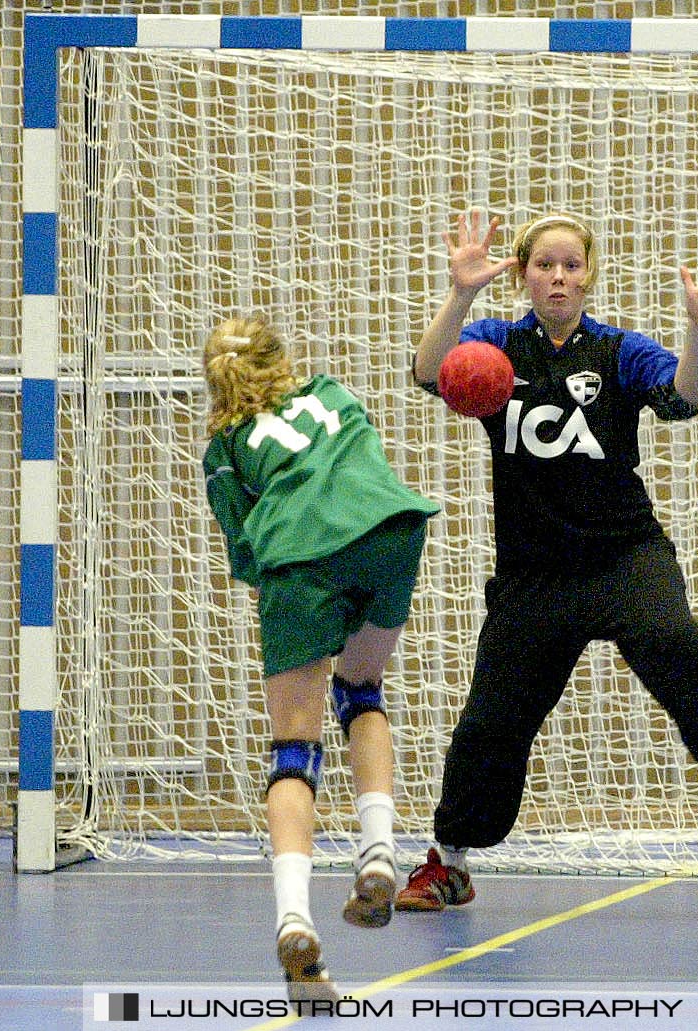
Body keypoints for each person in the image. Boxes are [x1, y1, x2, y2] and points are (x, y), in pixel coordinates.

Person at [397, 209, 698, 913]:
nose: (559, 276)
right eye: (545, 264)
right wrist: (460, 295)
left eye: (572, 265)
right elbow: (428, 372)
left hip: (622, 553)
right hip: (534, 572)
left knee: (672, 641)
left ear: (589, 275)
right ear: (523, 273)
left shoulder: (617, 349)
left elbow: (684, 400)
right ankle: (449, 860)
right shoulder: (492, 344)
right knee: (491, 719)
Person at [201, 315, 440, 1000]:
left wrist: (297, 600)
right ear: (282, 360)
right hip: (392, 530)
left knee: (293, 749)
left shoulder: (225, 446)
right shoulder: (332, 393)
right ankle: (378, 852)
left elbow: (246, 550)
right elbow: (359, 465)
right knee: (361, 687)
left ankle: (295, 918)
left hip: (298, 561)